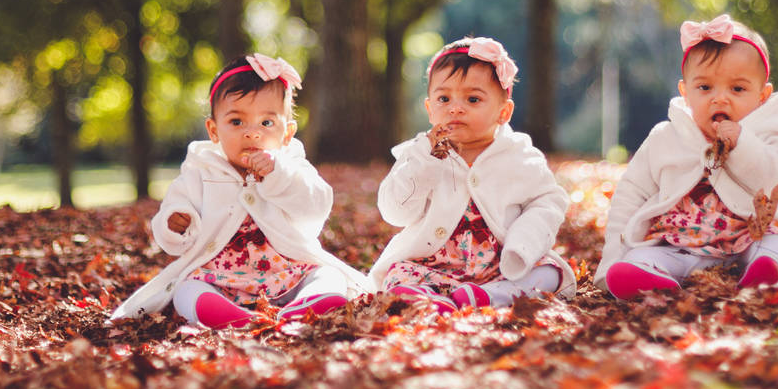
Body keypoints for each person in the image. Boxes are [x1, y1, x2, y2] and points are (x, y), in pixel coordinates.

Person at [110, 54, 369, 329]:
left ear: (287, 133)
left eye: (267, 123)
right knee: (186, 290)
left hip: (287, 272)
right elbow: (171, 229)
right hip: (218, 276)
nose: (252, 133)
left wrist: (277, 176)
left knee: (329, 275)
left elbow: (316, 208)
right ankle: (229, 315)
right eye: (236, 122)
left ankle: (309, 303)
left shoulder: (292, 167)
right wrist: (176, 225)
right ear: (213, 130)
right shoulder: (199, 174)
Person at [596, 15, 778, 299]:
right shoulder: (665, 137)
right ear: (685, 93)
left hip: (747, 243)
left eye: (737, 89)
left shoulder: (765, 131)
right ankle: (652, 282)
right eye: (705, 88)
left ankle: (762, 274)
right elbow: (630, 195)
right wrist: (612, 256)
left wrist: (744, 144)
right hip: (678, 247)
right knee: (637, 259)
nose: (720, 99)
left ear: (762, 96)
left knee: (776, 244)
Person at [370, 37, 576, 312]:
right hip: (433, 264)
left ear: (503, 112)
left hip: (501, 265)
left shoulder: (519, 156)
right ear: (430, 109)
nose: (456, 108)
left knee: (550, 273)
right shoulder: (418, 155)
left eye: (473, 99)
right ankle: (432, 300)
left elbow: (549, 202)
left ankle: (490, 297)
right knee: (397, 275)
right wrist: (424, 162)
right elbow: (394, 212)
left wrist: (523, 240)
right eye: (444, 98)